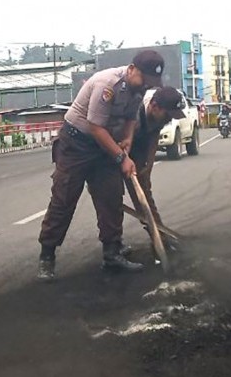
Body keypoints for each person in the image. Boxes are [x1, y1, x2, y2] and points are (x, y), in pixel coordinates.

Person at [36, 50, 165, 281]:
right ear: (132, 69)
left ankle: (112, 253)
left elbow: (130, 119)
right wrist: (122, 158)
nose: (146, 85)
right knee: (64, 198)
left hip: (104, 147)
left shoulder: (138, 89)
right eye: (144, 79)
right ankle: (47, 256)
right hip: (77, 144)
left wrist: (127, 139)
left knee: (111, 197)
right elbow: (96, 127)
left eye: (150, 82)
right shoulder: (107, 85)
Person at [122, 86, 186, 253]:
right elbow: (115, 139)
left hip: (138, 148)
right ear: (154, 106)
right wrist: (124, 160)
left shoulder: (158, 116)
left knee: (144, 197)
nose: (169, 120)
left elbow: (154, 136)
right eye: (168, 115)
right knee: (111, 196)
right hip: (113, 147)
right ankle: (112, 248)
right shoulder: (133, 111)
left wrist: (148, 165)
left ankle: (159, 238)